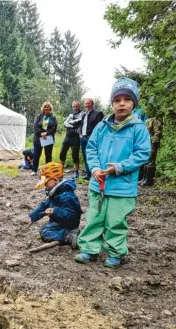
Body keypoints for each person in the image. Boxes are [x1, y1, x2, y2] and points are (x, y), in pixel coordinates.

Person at [75, 77, 151, 268]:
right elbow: (91, 149)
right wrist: (94, 168)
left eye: (127, 99)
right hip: (98, 184)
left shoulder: (138, 128)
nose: (122, 103)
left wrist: (119, 167)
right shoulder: (102, 126)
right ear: (112, 103)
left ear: (134, 102)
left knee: (116, 221)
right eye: (117, 100)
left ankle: (116, 252)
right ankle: (90, 249)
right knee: (94, 217)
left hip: (122, 187)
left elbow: (142, 153)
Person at [29, 162, 82, 248]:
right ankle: (67, 233)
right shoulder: (56, 192)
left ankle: (68, 235)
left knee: (45, 232)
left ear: (55, 180)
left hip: (67, 224)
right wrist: (34, 215)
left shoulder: (67, 196)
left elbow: (72, 217)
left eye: (46, 183)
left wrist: (55, 211)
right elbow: (45, 204)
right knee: (45, 230)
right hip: (58, 221)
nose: (45, 186)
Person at [31, 102, 58, 176]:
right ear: (42, 108)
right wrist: (41, 134)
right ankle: (34, 170)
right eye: (45, 107)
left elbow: (54, 128)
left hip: (48, 138)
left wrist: (47, 133)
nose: (46, 108)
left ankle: (48, 170)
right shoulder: (38, 116)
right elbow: (35, 127)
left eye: (48, 107)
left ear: (50, 108)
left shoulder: (53, 117)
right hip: (38, 138)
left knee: (48, 155)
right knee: (36, 154)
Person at [59, 101, 85, 179]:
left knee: (75, 154)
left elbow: (78, 121)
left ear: (79, 106)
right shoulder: (71, 114)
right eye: (74, 107)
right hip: (68, 136)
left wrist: (70, 123)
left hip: (76, 137)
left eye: (76, 106)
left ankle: (76, 171)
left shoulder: (83, 114)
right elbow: (64, 123)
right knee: (62, 152)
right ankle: (60, 170)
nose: (75, 108)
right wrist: (72, 125)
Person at [80, 98, 104, 180]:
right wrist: (80, 134)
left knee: (91, 154)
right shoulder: (84, 114)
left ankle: (94, 172)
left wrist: (92, 136)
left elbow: (99, 127)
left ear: (92, 104)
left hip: (91, 138)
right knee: (84, 155)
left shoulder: (98, 113)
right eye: (86, 103)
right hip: (82, 137)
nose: (87, 105)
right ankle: (88, 173)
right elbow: (82, 125)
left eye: (88, 103)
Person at [140, 117, 163, 186]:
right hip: (147, 143)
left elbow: (157, 133)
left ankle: (149, 181)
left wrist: (154, 146)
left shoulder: (156, 119)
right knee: (146, 160)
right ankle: (144, 179)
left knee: (151, 160)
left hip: (153, 143)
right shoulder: (148, 119)